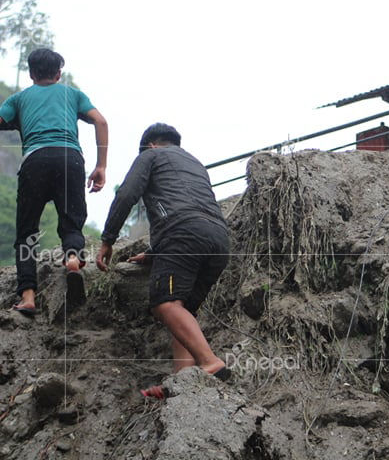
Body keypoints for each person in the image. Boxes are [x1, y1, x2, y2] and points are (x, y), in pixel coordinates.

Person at [96, 123, 231, 395]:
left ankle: (210, 362)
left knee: (165, 304)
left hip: (181, 235)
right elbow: (194, 211)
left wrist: (107, 240)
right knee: (182, 312)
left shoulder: (150, 156)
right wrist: (157, 252)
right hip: (219, 239)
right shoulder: (196, 165)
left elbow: (126, 194)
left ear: (151, 145)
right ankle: (183, 381)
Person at [0, 48, 108, 314]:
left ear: (31, 73)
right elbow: (100, 121)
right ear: (59, 73)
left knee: (27, 232)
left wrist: (19, 122)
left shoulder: (19, 99)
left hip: (35, 161)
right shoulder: (72, 95)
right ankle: (72, 257)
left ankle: (28, 295)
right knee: (71, 222)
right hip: (70, 160)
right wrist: (101, 166)